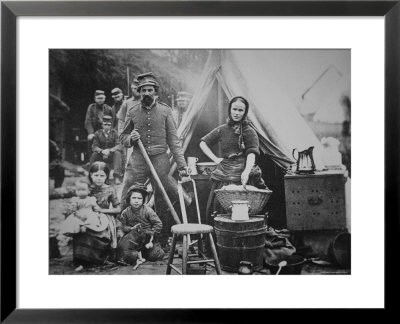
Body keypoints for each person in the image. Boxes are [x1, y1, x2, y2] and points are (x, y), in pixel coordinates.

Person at [119, 72, 189, 250]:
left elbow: (173, 140)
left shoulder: (165, 111)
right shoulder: (133, 111)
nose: (147, 93)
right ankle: (126, 238)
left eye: (150, 90)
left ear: (156, 92)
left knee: (162, 198)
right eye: (143, 90)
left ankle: (161, 240)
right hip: (138, 158)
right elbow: (123, 137)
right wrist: (131, 138)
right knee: (129, 192)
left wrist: (182, 166)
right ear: (139, 92)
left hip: (160, 159)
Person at [199, 96, 262, 225]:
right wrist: (216, 159)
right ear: (230, 109)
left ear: (245, 112)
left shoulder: (250, 131)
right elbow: (203, 143)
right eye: (234, 109)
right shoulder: (222, 129)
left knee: (243, 212)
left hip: (242, 177)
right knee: (218, 209)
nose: (237, 113)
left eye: (240, 110)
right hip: (224, 175)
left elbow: (251, 154)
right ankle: (218, 242)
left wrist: (246, 172)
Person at [72, 162, 121, 270]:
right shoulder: (86, 188)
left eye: (102, 175)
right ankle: (81, 260)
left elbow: (118, 209)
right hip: (88, 216)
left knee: (98, 233)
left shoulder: (110, 189)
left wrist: (102, 210)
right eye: (96, 175)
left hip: (104, 218)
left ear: (107, 176)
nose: (99, 178)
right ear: (90, 175)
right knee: (82, 230)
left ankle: (96, 259)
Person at [116, 183, 164, 263]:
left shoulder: (148, 210)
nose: (136, 201)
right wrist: (131, 228)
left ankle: (149, 251)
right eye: (134, 198)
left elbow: (158, 224)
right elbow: (122, 226)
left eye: (139, 198)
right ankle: (136, 254)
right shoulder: (125, 212)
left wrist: (151, 233)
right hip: (134, 239)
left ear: (143, 200)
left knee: (155, 255)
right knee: (126, 254)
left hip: (148, 238)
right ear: (129, 199)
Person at [57, 180, 102, 247]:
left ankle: (86, 228)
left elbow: (96, 207)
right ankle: (68, 238)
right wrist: (79, 215)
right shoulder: (75, 199)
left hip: (89, 214)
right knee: (72, 223)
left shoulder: (91, 199)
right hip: (78, 214)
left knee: (92, 222)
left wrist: (99, 212)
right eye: (78, 190)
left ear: (88, 190)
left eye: (83, 190)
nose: (80, 192)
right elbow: (74, 210)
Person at [90, 115, 124, 184]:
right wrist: (102, 151)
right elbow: (94, 146)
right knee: (94, 155)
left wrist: (110, 150)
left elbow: (119, 145)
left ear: (111, 126)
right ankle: (91, 176)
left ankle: (116, 177)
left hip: (111, 155)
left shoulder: (114, 133)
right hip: (101, 154)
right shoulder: (98, 133)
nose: (107, 127)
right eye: (105, 124)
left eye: (108, 125)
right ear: (102, 125)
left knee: (118, 153)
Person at [84, 90, 113, 155]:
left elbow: (114, 121)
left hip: (106, 131)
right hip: (95, 132)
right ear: (95, 99)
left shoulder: (108, 108)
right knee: (90, 139)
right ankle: (91, 159)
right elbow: (88, 121)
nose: (100, 100)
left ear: (104, 98)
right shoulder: (91, 107)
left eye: (102, 98)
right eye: (98, 98)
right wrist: (91, 133)